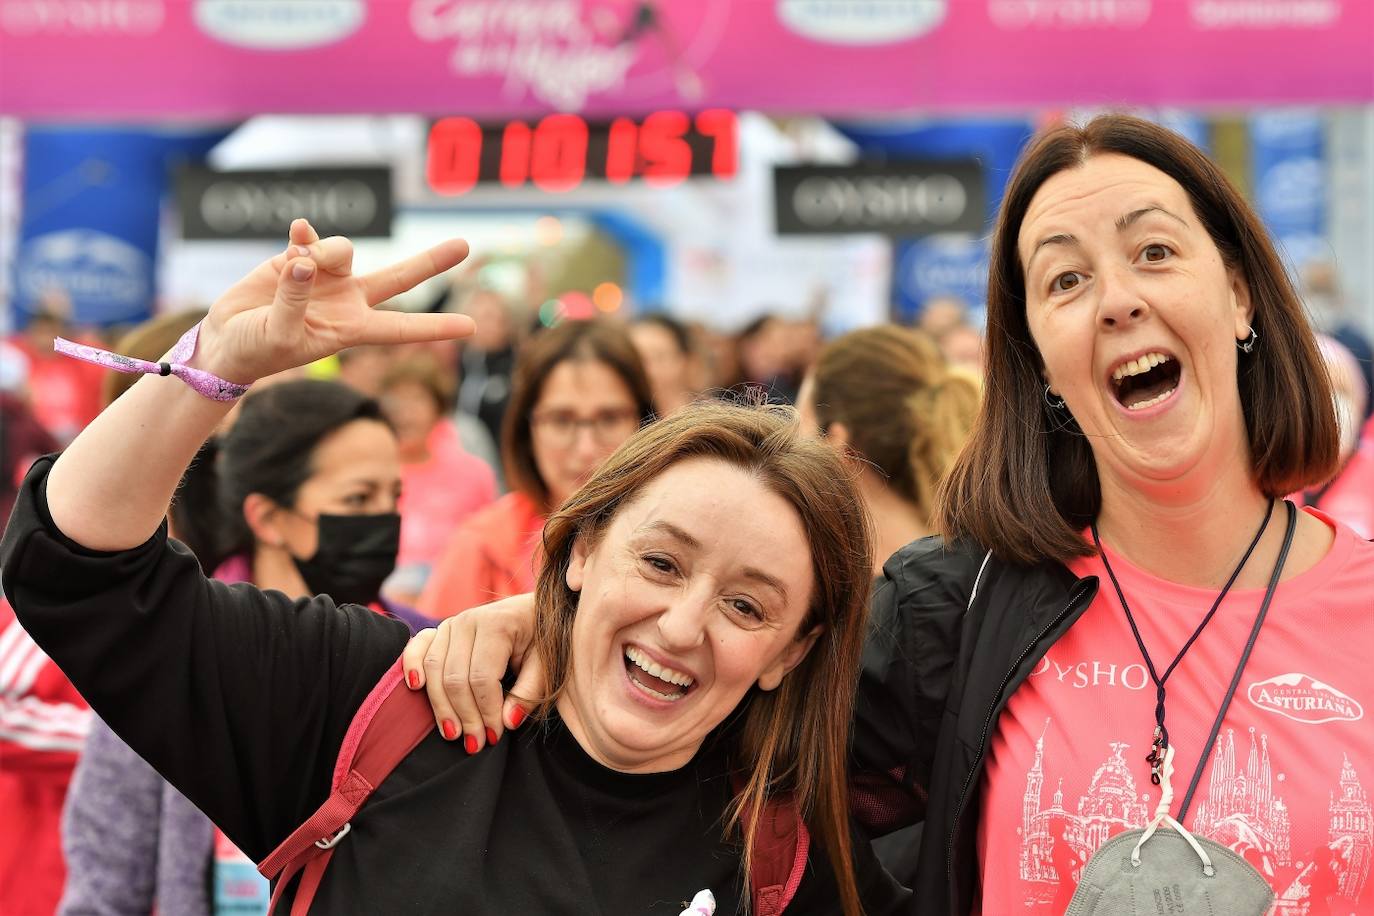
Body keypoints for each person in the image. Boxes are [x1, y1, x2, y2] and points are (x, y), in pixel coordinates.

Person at [402, 115, 1374, 914]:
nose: (1115, 299)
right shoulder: (949, 612)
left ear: (1241, 292)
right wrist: (555, 626)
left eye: (1154, 251)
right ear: (1037, 359)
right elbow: (713, 742)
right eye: (1065, 279)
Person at [1, 219, 907, 913]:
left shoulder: (794, 863)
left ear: (795, 649)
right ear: (579, 546)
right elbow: (74, 570)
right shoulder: (370, 704)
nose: (681, 625)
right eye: (662, 563)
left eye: (749, 608)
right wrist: (212, 367)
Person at [60, 378, 427, 916]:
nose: (384, 520)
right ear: (269, 518)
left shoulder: (426, 655)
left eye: (393, 497)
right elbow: (103, 889)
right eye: (358, 498)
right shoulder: (177, 656)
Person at [417, 317, 653, 619]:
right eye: (561, 420)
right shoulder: (481, 544)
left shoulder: (680, 538)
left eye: (609, 418)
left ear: (645, 423)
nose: (586, 448)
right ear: (526, 429)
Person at [796, 325, 978, 575]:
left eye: (799, 425)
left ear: (836, 442)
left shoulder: (827, 583)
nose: (789, 447)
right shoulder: (975, 566)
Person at [376, 355, 496, 604]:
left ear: (438, 409)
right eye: (396, 401)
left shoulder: (472, 473)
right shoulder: (369, 475)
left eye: (417, 400)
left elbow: (493, 546)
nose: (404, 413)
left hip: (457, 602)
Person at [1301, 335, 1374, 538]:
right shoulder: (1267, 475)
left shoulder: (1369, 471)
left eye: (1342, 392)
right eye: (1320, 393)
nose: (1333, 407)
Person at [630, 312, 703, 416]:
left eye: (659, 357)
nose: (648, 370)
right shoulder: (628, 422)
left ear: (687, 362)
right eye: (638, 359)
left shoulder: (710, 422)